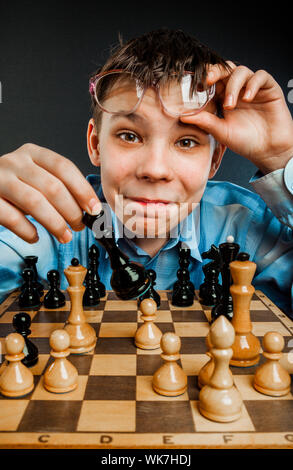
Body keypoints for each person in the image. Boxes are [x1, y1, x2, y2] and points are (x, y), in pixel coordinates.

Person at [0, 29, 292, 317]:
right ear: (95, 144)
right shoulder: (47, 227)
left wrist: (282, 157)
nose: (154, 169)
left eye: (186, 141)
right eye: (129, 136)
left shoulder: (247, 228)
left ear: (215, 159)